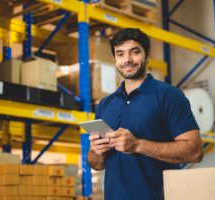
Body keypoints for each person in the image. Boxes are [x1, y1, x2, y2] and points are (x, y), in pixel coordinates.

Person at [87, 28, 203, 200]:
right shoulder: (105, 104)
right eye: (120, 54)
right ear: (115, 59)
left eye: (134, 52)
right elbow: (95, 164)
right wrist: (97, 152)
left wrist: (137, 145)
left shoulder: (168, 95)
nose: (127, 60)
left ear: (147, 55)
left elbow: (195, 151)